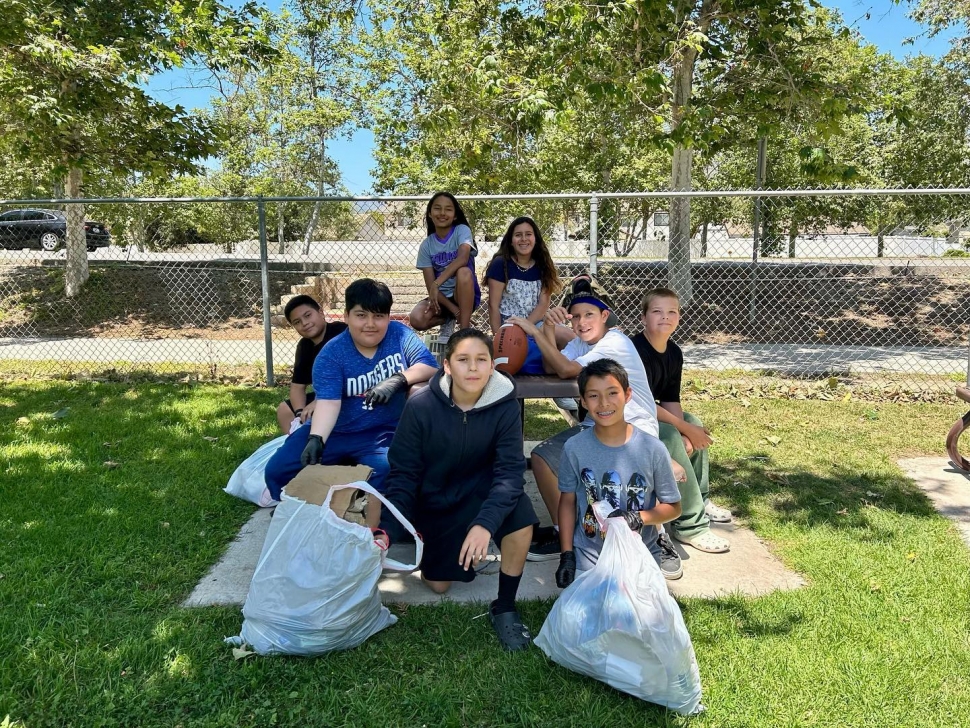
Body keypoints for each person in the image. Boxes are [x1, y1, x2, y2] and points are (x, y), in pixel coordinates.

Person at [510, 279, 715, 580]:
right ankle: (568, 534)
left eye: (589, 315)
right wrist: (550, 329)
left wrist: (535, 330)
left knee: (624, 482)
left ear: (605, 317)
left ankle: (657, 534)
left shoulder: (615, 342)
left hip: (632, 427)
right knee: (542, 459)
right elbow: (557, 363)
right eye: (576, 316)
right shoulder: (582, 343)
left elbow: (565, 371)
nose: (581, 322)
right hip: (596, 424)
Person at [378, 328, 537, 651]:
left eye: (481, 360)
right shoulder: (422, 405)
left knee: (522, 516)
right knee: (438, 584)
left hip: (482, 492)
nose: (474, 368)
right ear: (447, 365)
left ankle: (505, 606)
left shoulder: (505, 405)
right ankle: (426, 537)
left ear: (492, 365)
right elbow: (403, 474)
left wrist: (485, 524)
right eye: (463, 360)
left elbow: (509, 473)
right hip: (438, 499)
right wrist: (388, 530)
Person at [263, 279, 439, 526]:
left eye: (378, 316)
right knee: (277, 471)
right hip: (337, 430)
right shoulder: (331, 353)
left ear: (389, 317)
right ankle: (298, 503)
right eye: (361, 315)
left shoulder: (400, 335)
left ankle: (354, 509)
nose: (370, 324)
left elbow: (430, 366)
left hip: (381, 433)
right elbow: (328, 402)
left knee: (392, 472)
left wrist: (399, 378)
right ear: (346, 316)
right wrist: (316, 439)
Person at [555, 358, 682, 588]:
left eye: (613, 393)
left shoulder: (653, 449)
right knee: (585, 619)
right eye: (593, 395)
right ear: (582, 401)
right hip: (590, 556)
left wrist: (639, 518)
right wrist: (567, 555)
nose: (604, 403)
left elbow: (673, 507)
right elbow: (567, 501)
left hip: (640, 554)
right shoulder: (574, 448)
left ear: (628, 395)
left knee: (636, 619)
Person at [631, 287, 734, 548]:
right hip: (629, 417)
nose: (665, 317)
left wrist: (687, 430)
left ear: (678, 317)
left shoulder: (674, 352)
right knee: (669, 435)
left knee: (695, 424)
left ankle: (701, 498)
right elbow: (641, 404)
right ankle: (690, 524)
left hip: (652, 412)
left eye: (671, 312)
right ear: (643, 317)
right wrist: (680, 430)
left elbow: (670, 399)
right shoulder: (635, 350)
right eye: (657, 311)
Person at [482, 216, 574, 350]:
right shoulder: (501, 264)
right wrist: (499, 339)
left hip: (535, 322)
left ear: (535, 239)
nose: (524, 239)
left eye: (528, 234)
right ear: (511, 241)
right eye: (518, 235)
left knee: (568, 336)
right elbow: (493, 306)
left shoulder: (543, 265)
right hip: (509, 326)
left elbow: (543, 304)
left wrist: (526, 328)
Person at [408, 192, 482, 340]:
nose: (442, 213)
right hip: (441, 299)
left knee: (464, 272)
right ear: (429, 213)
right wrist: (455, 312)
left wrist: (437, 283)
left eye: (448, 209)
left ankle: (464, 332)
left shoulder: (461, 231)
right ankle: (448, 321)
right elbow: (431, 287)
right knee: (416, 319)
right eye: (437, 208)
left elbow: (463, 258)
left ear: (455, 215)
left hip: (464, 294)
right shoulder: (427, 245)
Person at [275, 295, 348, 435]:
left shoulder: (341, 333)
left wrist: (321, 400)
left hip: (347, 391)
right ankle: (296, 448)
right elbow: (297, 387)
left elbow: (354, 373)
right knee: (284, 410)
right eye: (297, 322)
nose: (305, 323)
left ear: (320, 313)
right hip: (321, 394)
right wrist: (300, 413)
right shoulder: (304, 347)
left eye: (308, 315)